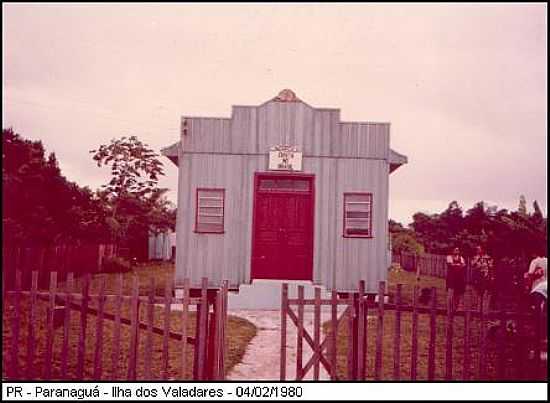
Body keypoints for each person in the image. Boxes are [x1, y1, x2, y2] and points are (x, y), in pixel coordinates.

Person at [470, 245, 495, 310]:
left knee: (485, 293)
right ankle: (478, 309)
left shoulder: (488, 258)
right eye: (477, 249)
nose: (478, 250)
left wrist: (492, 276)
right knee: (478, 293)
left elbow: (491, 267)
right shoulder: (475, 257)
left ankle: (484, 309)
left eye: (479, 249)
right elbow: (472, 265)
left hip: (485, 276)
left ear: (483, 250)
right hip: (478, 277)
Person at [446, 247, 466, 313]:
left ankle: (455, 308)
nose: (456, 251)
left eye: (458, 250)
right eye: (455, 250)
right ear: (452, 251)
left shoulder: (461, 258)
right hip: (451, 278)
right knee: (450, 293)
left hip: (459, 278)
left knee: (458, 293)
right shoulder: (449, 257)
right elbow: (450, 265)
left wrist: (456, 265)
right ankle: (449, 308)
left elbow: (463, 265)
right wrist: (458, 265)